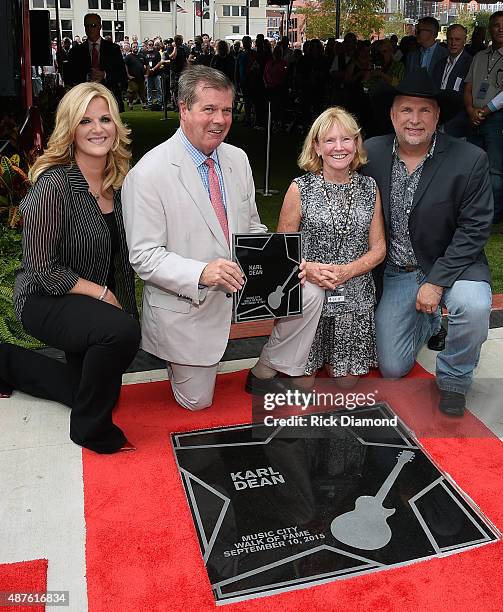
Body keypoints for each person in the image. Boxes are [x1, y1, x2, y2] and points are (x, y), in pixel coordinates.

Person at [121, 66, 324, 410]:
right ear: (184, 109)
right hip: (190, 298)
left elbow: (253, 229)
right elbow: (144, 257)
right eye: (209, 109)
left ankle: (266, 368)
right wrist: (202, 273)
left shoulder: (237, 159)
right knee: (197, 403)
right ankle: (178, 359)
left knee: (310, 291)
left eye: (227, 110)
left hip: (243, 282)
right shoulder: (148, 174)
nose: (220, 120)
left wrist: (282, 263)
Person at [0, 83, 140, 453]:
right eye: (85, 121)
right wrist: (103, 295)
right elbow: (42, 268)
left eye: (105, 118)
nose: (98, 128)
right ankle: (89, 429)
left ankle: (5, 362)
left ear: (116, 125)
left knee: (87, 384)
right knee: (121, 334)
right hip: (44, 298)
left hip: (87, 308)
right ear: (70, 130)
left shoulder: (119, 185)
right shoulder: (54, 185)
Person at [362, 70, 493, 417]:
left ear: (437, 116)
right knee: (391, 367)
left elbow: (475, 227)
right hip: (397, 270)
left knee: (475, 307)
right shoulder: (370, 153)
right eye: (406, 110)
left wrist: (436, 282)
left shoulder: (469, 159)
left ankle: (454, 378)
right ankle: (429, 322)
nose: (415, 120)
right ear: (392, 115)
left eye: (424, 111)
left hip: (454, 264)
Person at [275, 107, 385, 383]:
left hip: (354, 294)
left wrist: (348, 271)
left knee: (345, 383)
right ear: (317, 146)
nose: (339, 147)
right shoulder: (299, 188)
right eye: (330, 141)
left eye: (346, 139)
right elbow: (281, 249)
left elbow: (379, 248)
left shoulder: (369, 187)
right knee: (303, 384)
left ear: (356, 144)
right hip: (311, 292)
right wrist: (309, 269)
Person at [464, 11, 503, 223]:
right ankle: (474, 213)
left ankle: (492, 218)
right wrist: (471, 110)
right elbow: (468, 86)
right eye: (496, 25)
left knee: (495, 171)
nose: (500, 28)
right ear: (490, 29)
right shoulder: (480, 56)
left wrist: (484, 111)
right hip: (474, 117)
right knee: (473, 168)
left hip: (497, 118)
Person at [67, 13, 127, 112]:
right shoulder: (76, 51)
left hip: (109, 98)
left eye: (93, 25)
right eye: (87, 26)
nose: (90, 29)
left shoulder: (113, 49)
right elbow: (70, 77)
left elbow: (121, 75)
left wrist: (104, 75)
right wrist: (88, 76)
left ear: (100, 26)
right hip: (84, 99)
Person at [431, 24, 472, 138]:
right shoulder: (439, 64)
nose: (453, 43)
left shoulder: (471, 64)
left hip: (457, 126)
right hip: (437, 122)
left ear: (465, 40)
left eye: (457, 39)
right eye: (450, 39)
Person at [124, 41, 148, 110]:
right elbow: (125, 66)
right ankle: (130, 104)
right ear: (131, 48)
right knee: (131, 92)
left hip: (141, 77)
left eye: (136, 46)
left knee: (142, 92)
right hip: (132, 78)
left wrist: (146, 74)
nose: (135, 48)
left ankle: (144, 105)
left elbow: (147, 65)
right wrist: (128, 75)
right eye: (134, 47)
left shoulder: (142, 56)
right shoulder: (128, 57)